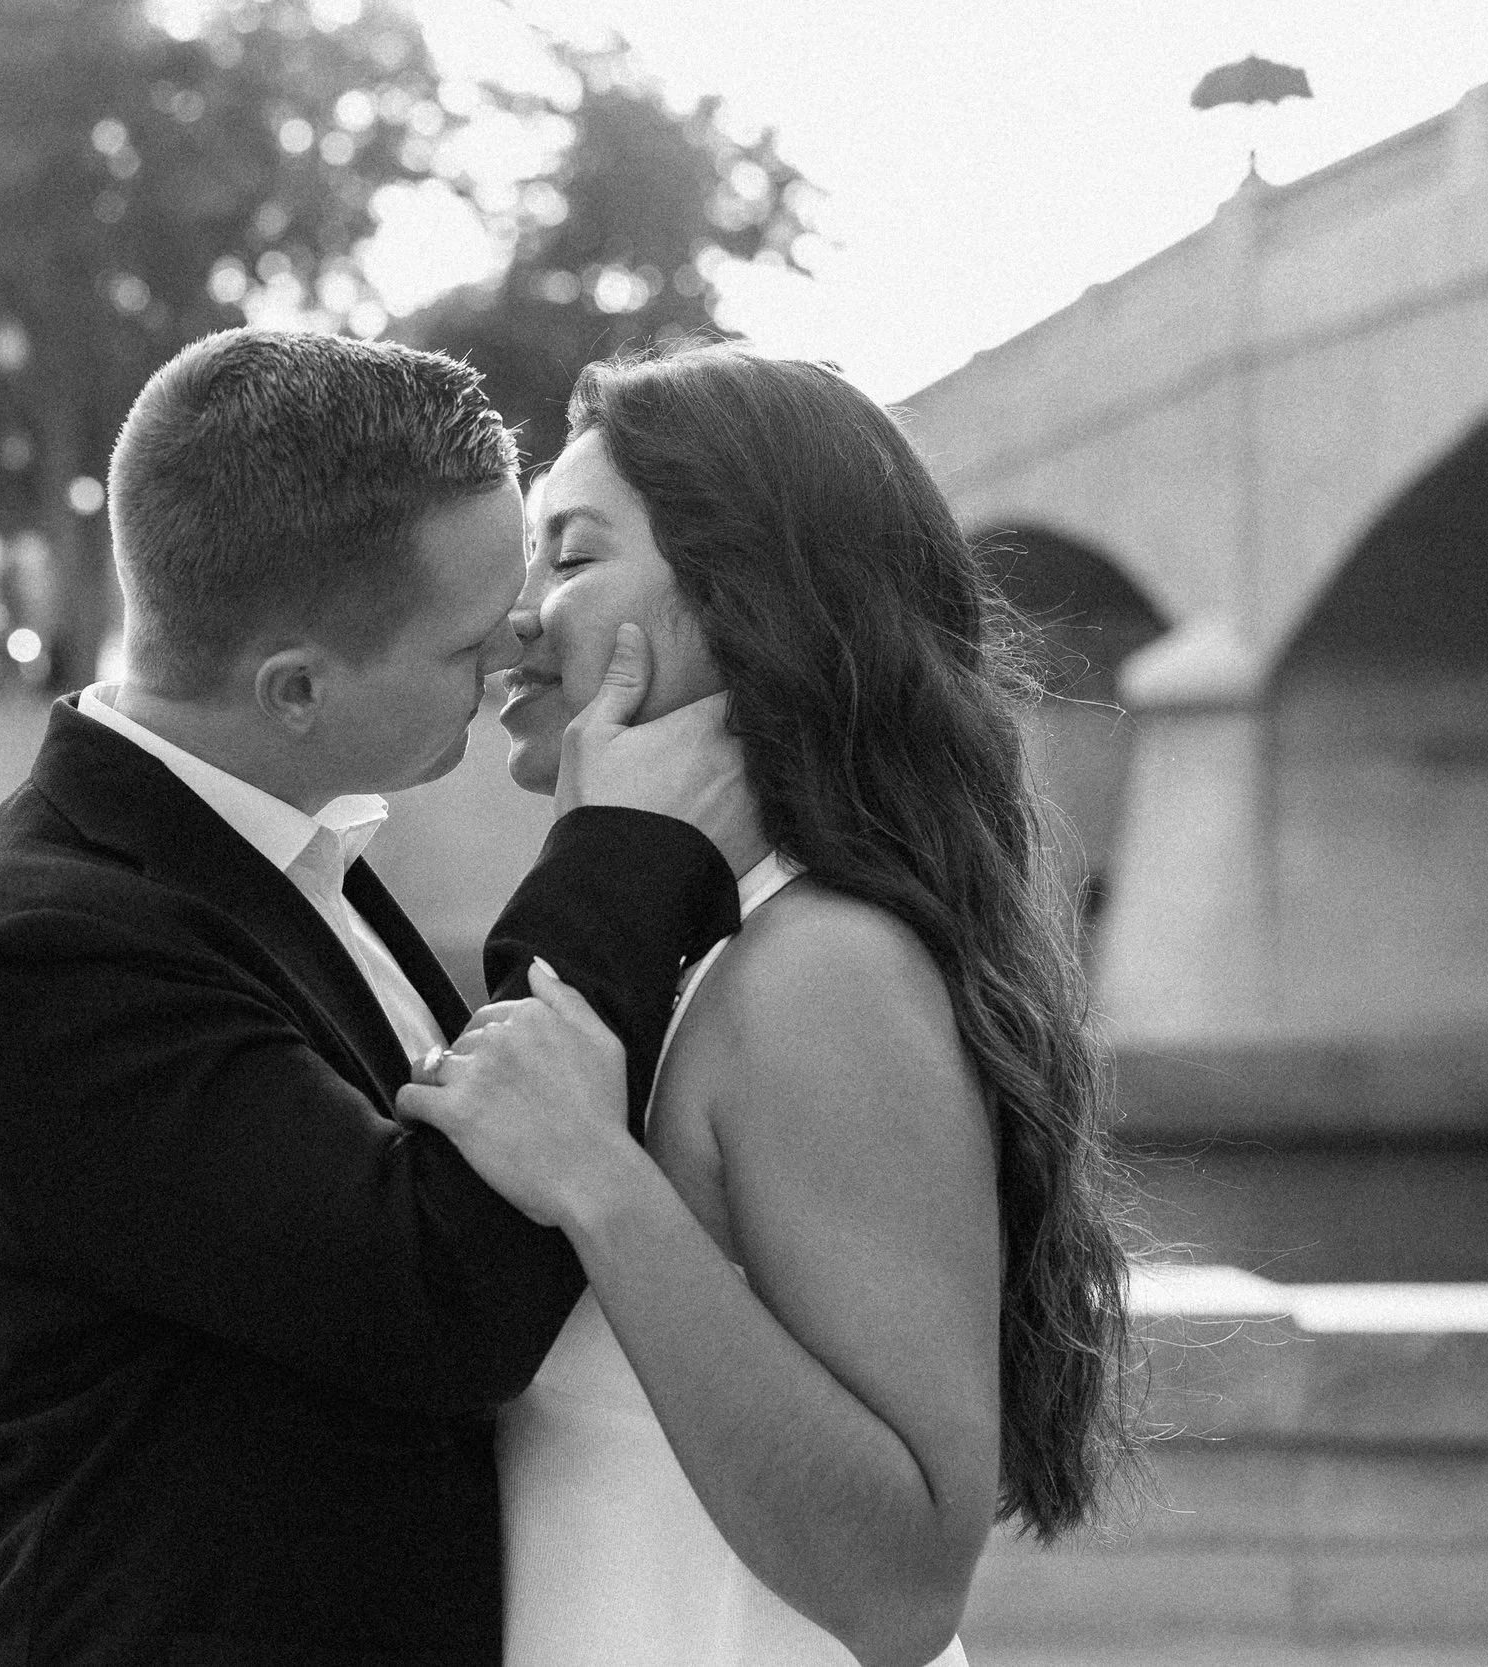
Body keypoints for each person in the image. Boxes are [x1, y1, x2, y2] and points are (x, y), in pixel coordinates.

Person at [0, 328, 759, 1667]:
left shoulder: (273, 849)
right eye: (465, 641)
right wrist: (622, 860)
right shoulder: (46, 952)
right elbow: (442, 1309)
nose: (517, 647)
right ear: (295, 687)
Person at [400, 343, 1135, 1667]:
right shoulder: (708, 952)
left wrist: (599, 1182)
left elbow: (904, 1588)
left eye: (571, 558)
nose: (516, 620)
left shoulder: (818, 971)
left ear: (744, 598)